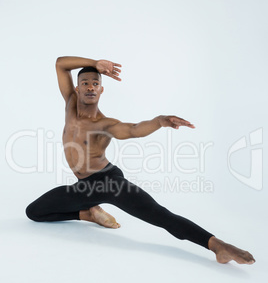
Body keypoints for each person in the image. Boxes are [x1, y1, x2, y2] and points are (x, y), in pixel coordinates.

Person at [25, 56, 255, 265]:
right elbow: (60, 63)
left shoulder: (104, 124)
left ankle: (218, 246)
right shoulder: (70, 104)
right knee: (34, 212)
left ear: (101, 90)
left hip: (109, 183)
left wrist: (159, 121)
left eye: (95, 83)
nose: (90, 87)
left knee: (159, 214)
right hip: (85, 187)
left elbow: (134, 130)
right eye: (85, 82)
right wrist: (95, 63)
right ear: (77, 88)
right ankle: (88, 213)